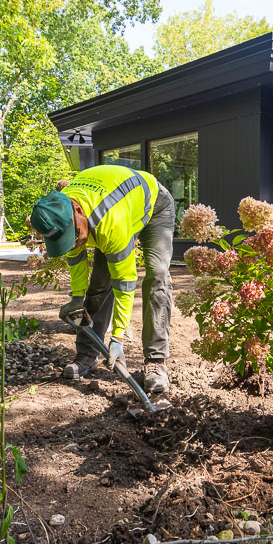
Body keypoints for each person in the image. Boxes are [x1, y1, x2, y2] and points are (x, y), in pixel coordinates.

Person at [29, 164, 174, 394]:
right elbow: (77, 262)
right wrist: (77, 299)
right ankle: (88, 353)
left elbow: (125, 283)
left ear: (77, 210)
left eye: (73, 237)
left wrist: (117, 339)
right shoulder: (60, 214)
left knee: (157, 276)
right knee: (98, 282)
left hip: (154, 206)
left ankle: (155, 361)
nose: (73, 243)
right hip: (113, 206)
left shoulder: (110, 220)